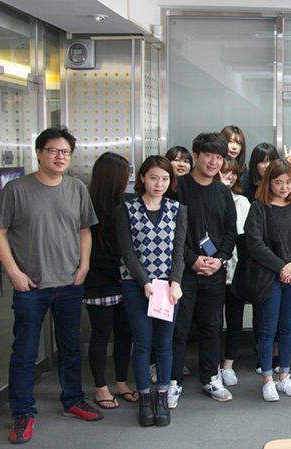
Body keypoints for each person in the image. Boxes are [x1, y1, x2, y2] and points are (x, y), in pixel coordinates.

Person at [0, 127, 102, 444]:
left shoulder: (76, 188)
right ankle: (22, 412)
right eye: (54, 150)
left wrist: (84, 265)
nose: (60, 157)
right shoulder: (16, 189)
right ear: (39, 153)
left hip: (69, 282)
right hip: (31, 285)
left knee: (70, 349)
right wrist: (13, 271)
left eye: (66, 152)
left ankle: (73, 401)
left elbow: (84, 230)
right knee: (25, 352)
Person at [117, 156, 187, 427]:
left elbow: (179, 250)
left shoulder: (177, 209)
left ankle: (162, 396)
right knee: (143, 341)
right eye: (154, 177)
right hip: (136, 285)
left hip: (168, 287)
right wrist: (144, 281)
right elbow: (127, 251)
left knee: (165, 343)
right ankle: (144, 398)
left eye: (165, 179)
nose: (159, 183)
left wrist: (176, 282)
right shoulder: (127, 209)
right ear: (143, 178)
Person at [168, 132, 237, 407]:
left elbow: (230, 231)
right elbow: (171, 232)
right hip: (183, 271)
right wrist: (191, 259)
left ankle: (210, 377)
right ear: (195, 155)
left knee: (212, 326)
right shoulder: (177, 188)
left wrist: (219, 260)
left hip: (215, 271)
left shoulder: (222, 191)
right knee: (179, 328)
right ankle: (172, 381)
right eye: (208, 155)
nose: (213, 161)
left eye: (219, 156)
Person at [242, 159, 291, 401]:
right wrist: (281, 267)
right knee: (268, 329)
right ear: (268, 182)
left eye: (288, 182)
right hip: (268, 277)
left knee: (288, 328)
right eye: (278, 182)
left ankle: (285, 377)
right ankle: (267, 379)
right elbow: (254, 244)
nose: (283, 187)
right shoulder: (259, 208)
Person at [83, 152, 137, 410]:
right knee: (102, 335)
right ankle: (100, 387)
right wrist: (118, 271)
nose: (128, 179)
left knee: (125, 334)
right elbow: (90, 250)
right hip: (99, 281)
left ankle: (121, 382)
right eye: (124, 175)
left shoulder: (125, 203)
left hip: (125, 281)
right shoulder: (89, 204)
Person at [217, 156, 252, 387]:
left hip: (236, 269)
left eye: (232, 173)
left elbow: (247, 240)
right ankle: (212, 365)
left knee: (234, 319)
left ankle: (228, 364)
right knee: (211, 321)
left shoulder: (242, 202)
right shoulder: (207, 198)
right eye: (223, 172)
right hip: (210, 267)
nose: (227, 177)